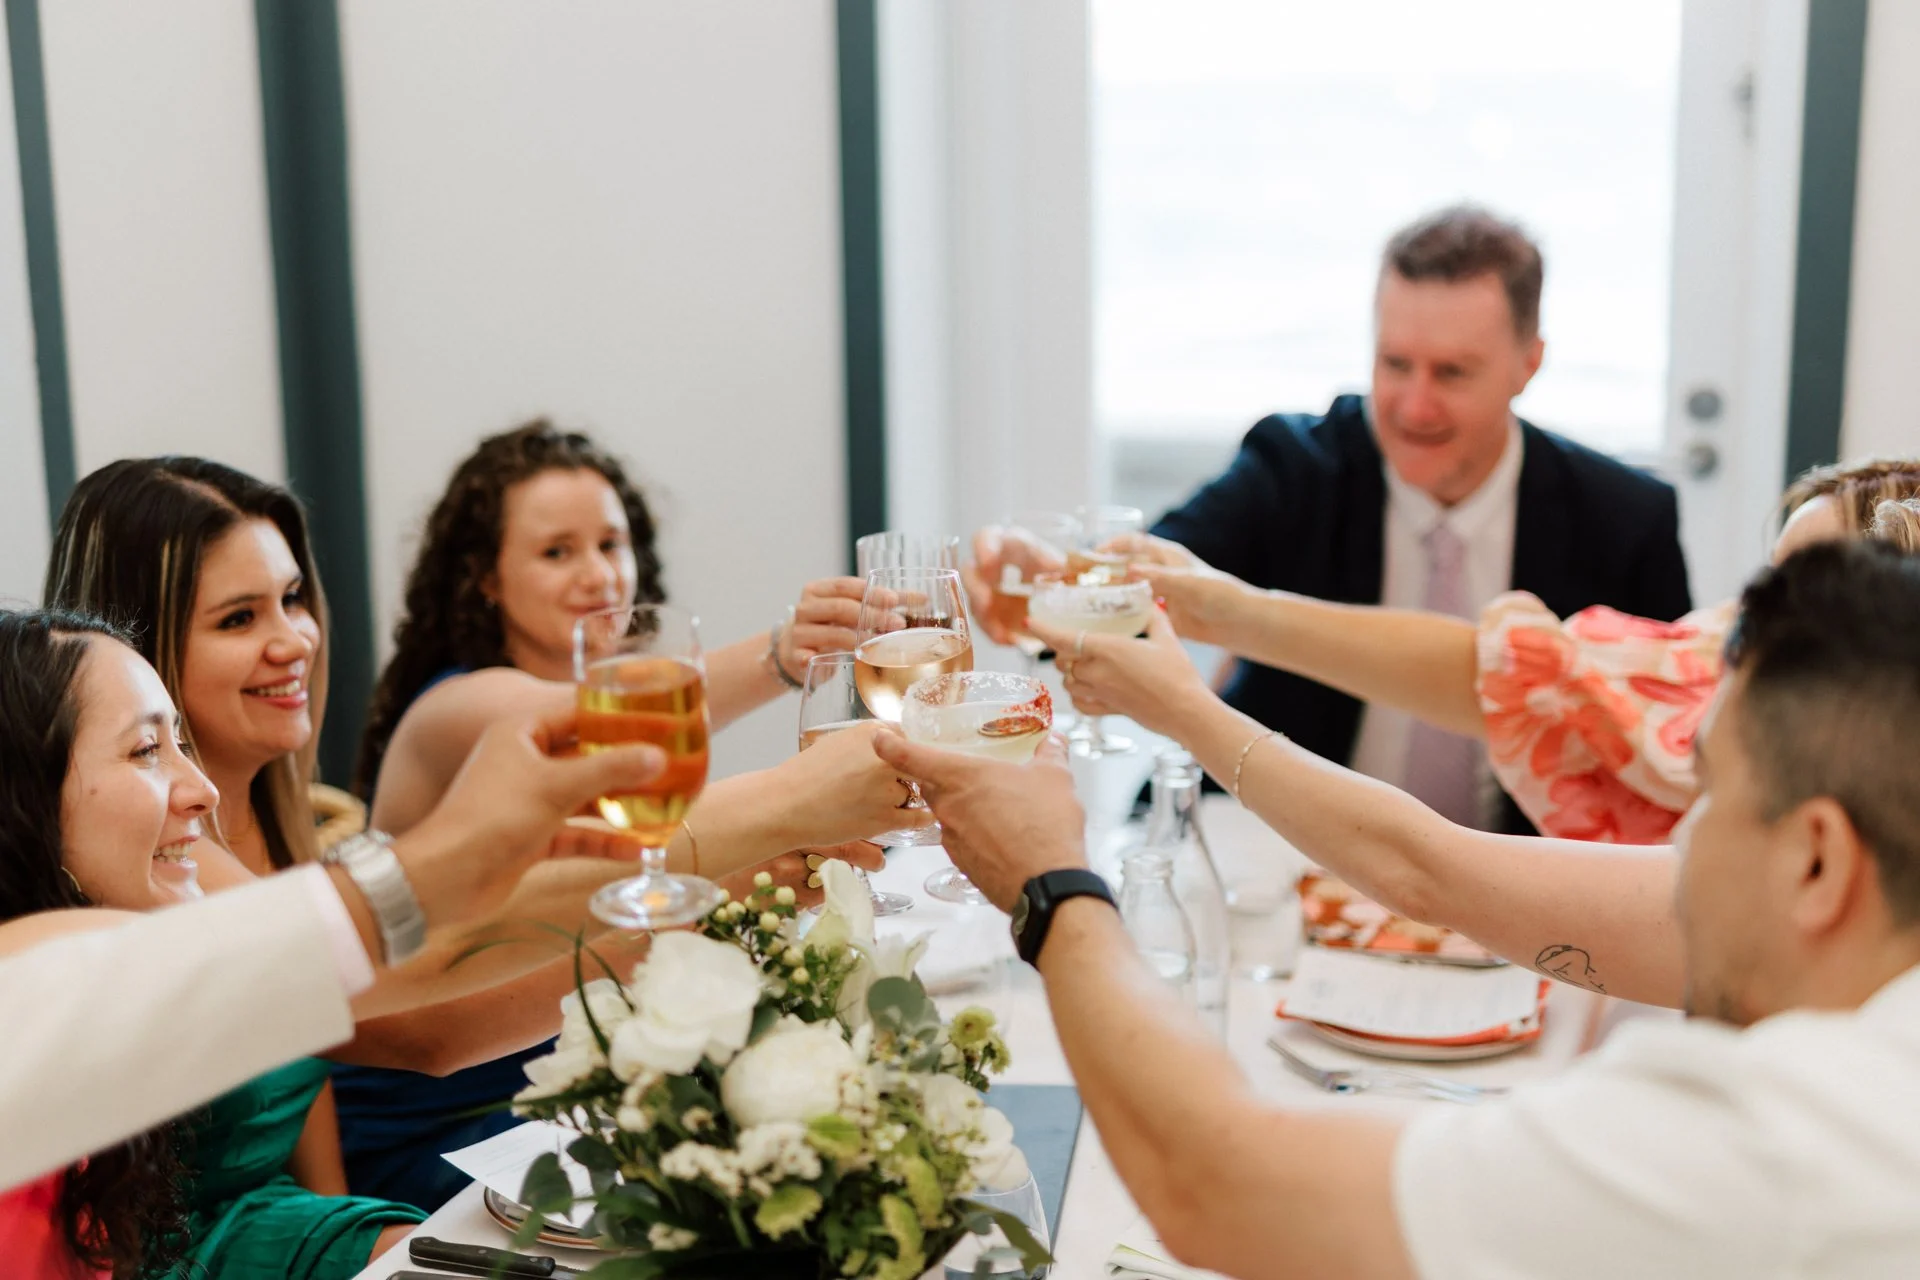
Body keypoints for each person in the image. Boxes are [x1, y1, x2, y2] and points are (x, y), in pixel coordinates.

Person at [881, 540, 1920, 1278]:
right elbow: (1430, 868)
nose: (1674, 847)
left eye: (1708, 797)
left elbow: (1213, 1182)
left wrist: (1053, 883)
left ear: (1819, 858)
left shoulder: (1773, 1144)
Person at [42, 455, 903, 1222]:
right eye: (238, 619)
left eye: (295, 598)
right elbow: (427, 1021)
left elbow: (311, 1107)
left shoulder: (263, 805)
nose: (292, 640)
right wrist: (779, 804)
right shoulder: (172, 849)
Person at [337, 421, 920, 1209]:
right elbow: (616, 715)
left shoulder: (617, 705)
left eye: (611, 545)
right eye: (557, 552)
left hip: (546, 1086)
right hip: (443, 1121)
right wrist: (783, 654)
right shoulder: (460, 706)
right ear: (483, 577)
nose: (597, 574)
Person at [977, 206, 1692, 833]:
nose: (1414, 406)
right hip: (1285, 859)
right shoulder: (1298, 464)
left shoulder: (1625, 522)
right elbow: (1154, 573)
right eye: (1394, 363)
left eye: (1452, 373)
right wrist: (1052, 584)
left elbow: (1658, 755)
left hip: (1511, 897)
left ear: (1528, 364)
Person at [0, 609, 664, 1276]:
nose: (200, 792)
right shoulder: (40, 981)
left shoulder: (136, 932)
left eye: (180, 745)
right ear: (24, 795)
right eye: (146, 750)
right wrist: (452, 856)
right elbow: (360, 969)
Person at [1117, 455, 1920, 843]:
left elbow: (1432, 871)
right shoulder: (1716, 660)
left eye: (1788, 607)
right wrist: (1227, 611)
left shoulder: (1777, 839)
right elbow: (1500, 675)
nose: (1737, 635)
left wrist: (1190, 713)